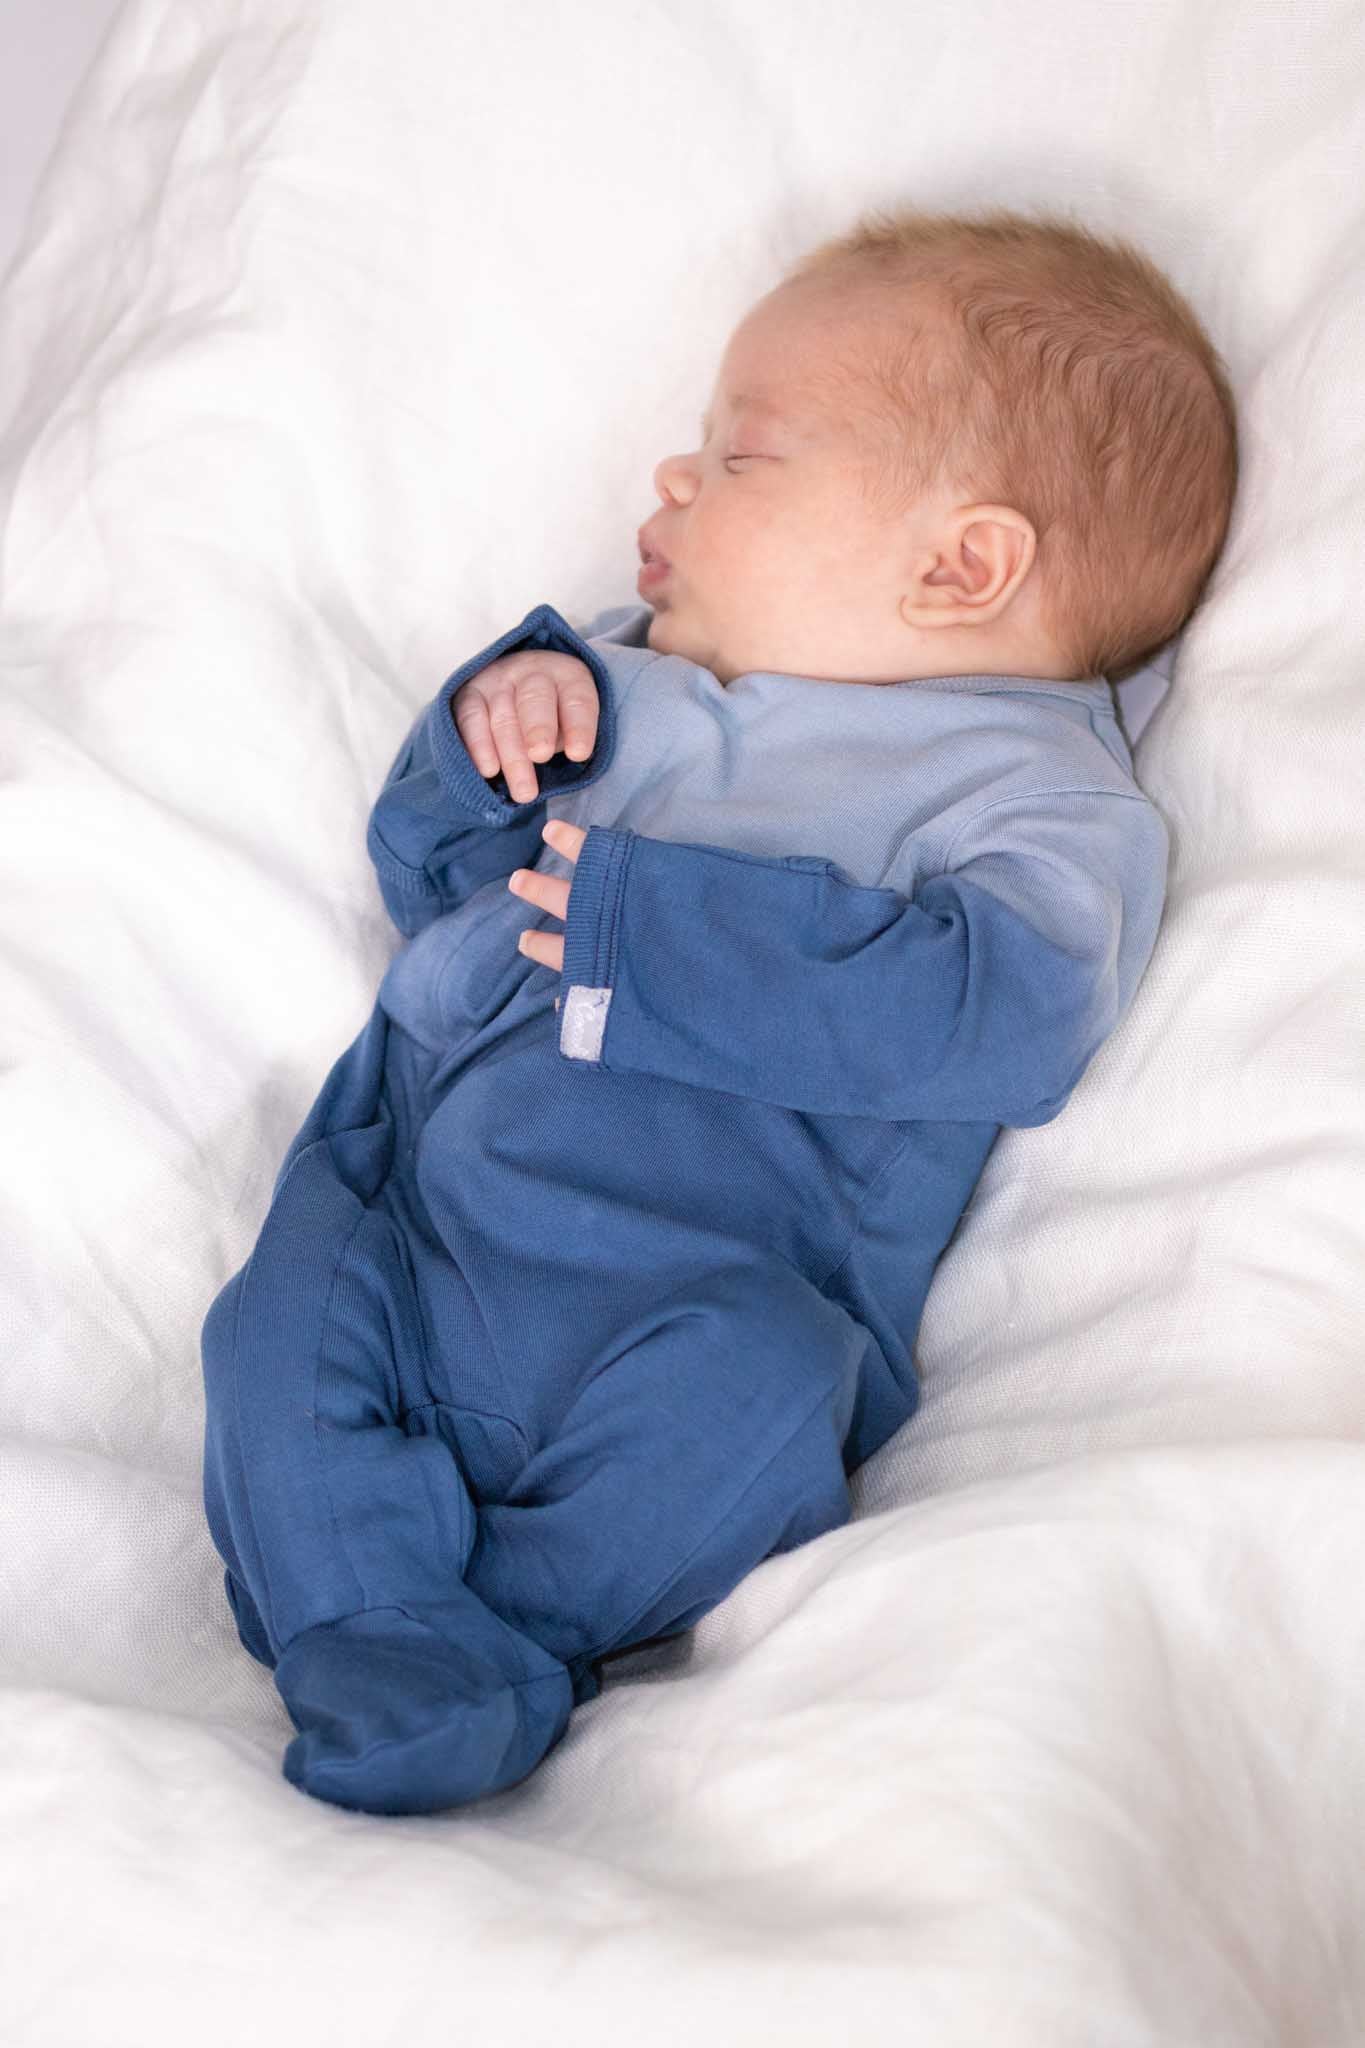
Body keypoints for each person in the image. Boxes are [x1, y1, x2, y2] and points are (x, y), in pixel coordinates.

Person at [199, 203, 1237, 1817]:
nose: (674, 479)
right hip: (425, 1223)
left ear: (961, 566)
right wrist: (479, 751)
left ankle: (505, 1636)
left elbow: (1000, 1018)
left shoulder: (1036, 797)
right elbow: (432, 877)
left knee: (759, 1406)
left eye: (739, 455)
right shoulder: (626, 680)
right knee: (273, 1320)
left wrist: (666, 939)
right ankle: (361, 1612)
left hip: (694, 1302)